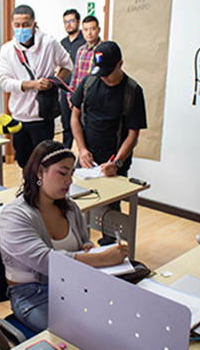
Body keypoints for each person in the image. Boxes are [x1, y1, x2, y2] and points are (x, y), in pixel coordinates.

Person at [0, 140, 128, 333]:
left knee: (118, 321)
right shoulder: (14, 215)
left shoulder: (70, 207)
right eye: (62, 173)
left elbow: (84, 240)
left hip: (73, 283)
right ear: (40, 171)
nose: (69, 180)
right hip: (34, 295)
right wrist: (101, 258)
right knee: (86, 335)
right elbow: (46, 261)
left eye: (72, 174)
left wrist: (88, 246)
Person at [71, 41, 147, 245]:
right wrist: (82, 149)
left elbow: (133, 135)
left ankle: (110, 246)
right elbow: (74, 117)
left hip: (115, 160)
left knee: (110, 208)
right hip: (88, 157)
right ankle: (78, 242)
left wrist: (118, 163)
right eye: (100, 71)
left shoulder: (132, 91)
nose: (104, 76)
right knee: (75, 201)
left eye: (108, 71)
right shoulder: (89, 82)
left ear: (120, 63)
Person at [0, 4, 73, 168]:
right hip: (19, 115)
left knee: (45, 162)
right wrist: (32, 84)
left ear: (34, 24)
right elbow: (4, 82)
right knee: (23, 161)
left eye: (25, 24)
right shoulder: (7, 50)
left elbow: (68, 65)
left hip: (42, 116)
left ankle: (45, 192)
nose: (21, 29)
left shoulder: (49, 43)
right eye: (17, 25)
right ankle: (28, 191)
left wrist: (54, 83)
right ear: (12, 25)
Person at [59, 9, 86, 148]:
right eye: (65, 22)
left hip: (80, 90)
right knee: (66, 123)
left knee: (82, 123)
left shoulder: (84, 42)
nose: (68, 25)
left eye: (71, 21)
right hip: (65, 88)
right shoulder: (62, 43)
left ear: (78, 22)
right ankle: (66, 151)